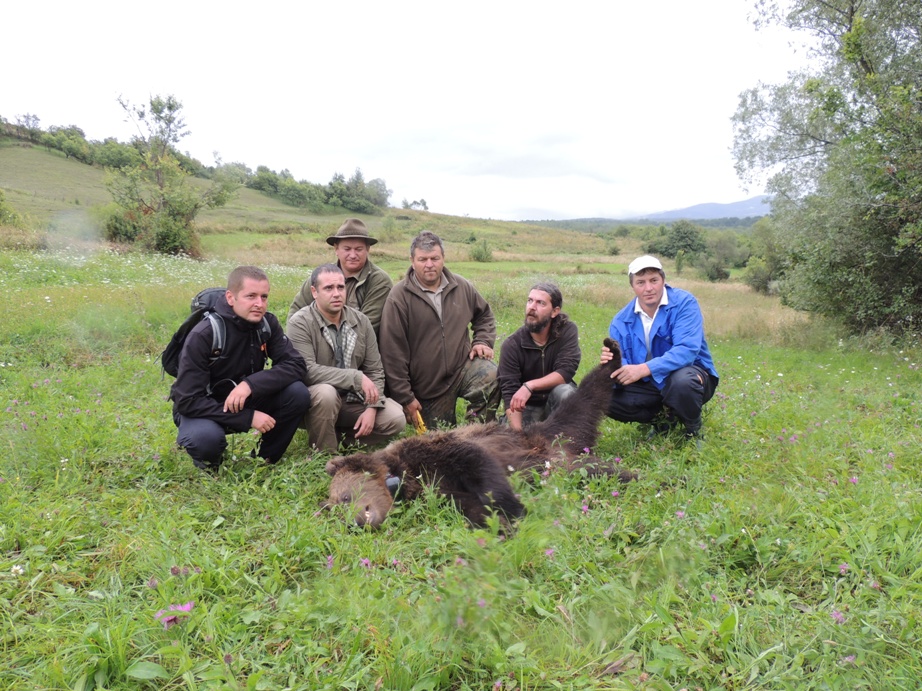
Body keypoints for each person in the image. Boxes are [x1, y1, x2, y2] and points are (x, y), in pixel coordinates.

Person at [171, 266, 312, 471]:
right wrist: (248, 417)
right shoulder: (204, 334)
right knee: (205, 438)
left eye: (264, 297)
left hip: (245, 397)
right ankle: (211, 464)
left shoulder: (267, 324)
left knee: (297, 393)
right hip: (205, 405)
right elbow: (188, 401)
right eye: (251, 296)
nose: (259, 304)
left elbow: (296, 364)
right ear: (231, 297)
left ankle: (264, 461)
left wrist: (250, 385)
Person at [379, 231, 500, 429]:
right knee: (439, 443)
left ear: (443, 258)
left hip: (461, 368)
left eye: (434, 258)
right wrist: (405, 397)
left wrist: (483, 341)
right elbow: (392, 353)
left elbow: (484, 315)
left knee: (493, 376)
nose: (429, 264)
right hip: (427, 387)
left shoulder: (461, 286)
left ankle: (477, 436)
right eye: (422, 259)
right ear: (412, 260)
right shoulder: (399, 297)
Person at [287, 263, 405, 453]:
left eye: (340, 287)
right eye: (328, 288)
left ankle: (343, 440)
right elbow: (306, 371)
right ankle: (324, 453)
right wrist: (355, 378)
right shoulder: (300, 322)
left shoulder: (360, 321)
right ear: (314, 292)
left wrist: (372, 408)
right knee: (326, 393)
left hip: (351, 399)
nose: (336, 293)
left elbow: (374, 369)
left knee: (395, 418)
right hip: (313, 401)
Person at [602, 255, 718, 442]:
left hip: (691, 376)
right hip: (650, 383)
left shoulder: (684, 303)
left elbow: (687, 350)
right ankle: (662, 421)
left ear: (663, 280)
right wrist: (612, 365)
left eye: (654, 280)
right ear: (632, 286)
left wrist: (644, 369)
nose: (648, 288)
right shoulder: (620, 321)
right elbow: (623, 363)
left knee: (682, 382)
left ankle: (693, 429)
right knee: (603, 396)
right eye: (640, 282)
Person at [497, 282, 581, 431]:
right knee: (508, 441)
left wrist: (530, 385)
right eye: (530, 301)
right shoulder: (512, 345)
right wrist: (518, 435)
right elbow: (509, 393)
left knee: (566, 393)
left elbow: (565, 372)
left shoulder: (567, 331)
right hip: (528, 406)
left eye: (540, 303)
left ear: (554, 311)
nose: (532, 307)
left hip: (556, 401)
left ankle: (572, 439)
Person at [287, 218, 393, 336]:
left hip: (359, 350)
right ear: (336, 249)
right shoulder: (321, 276)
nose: (353, 255)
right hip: (316, 346)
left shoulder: (379, 281)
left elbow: (366, 329)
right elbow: (296, 313)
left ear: (367, 249)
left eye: (359, 249)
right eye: (347, 249)